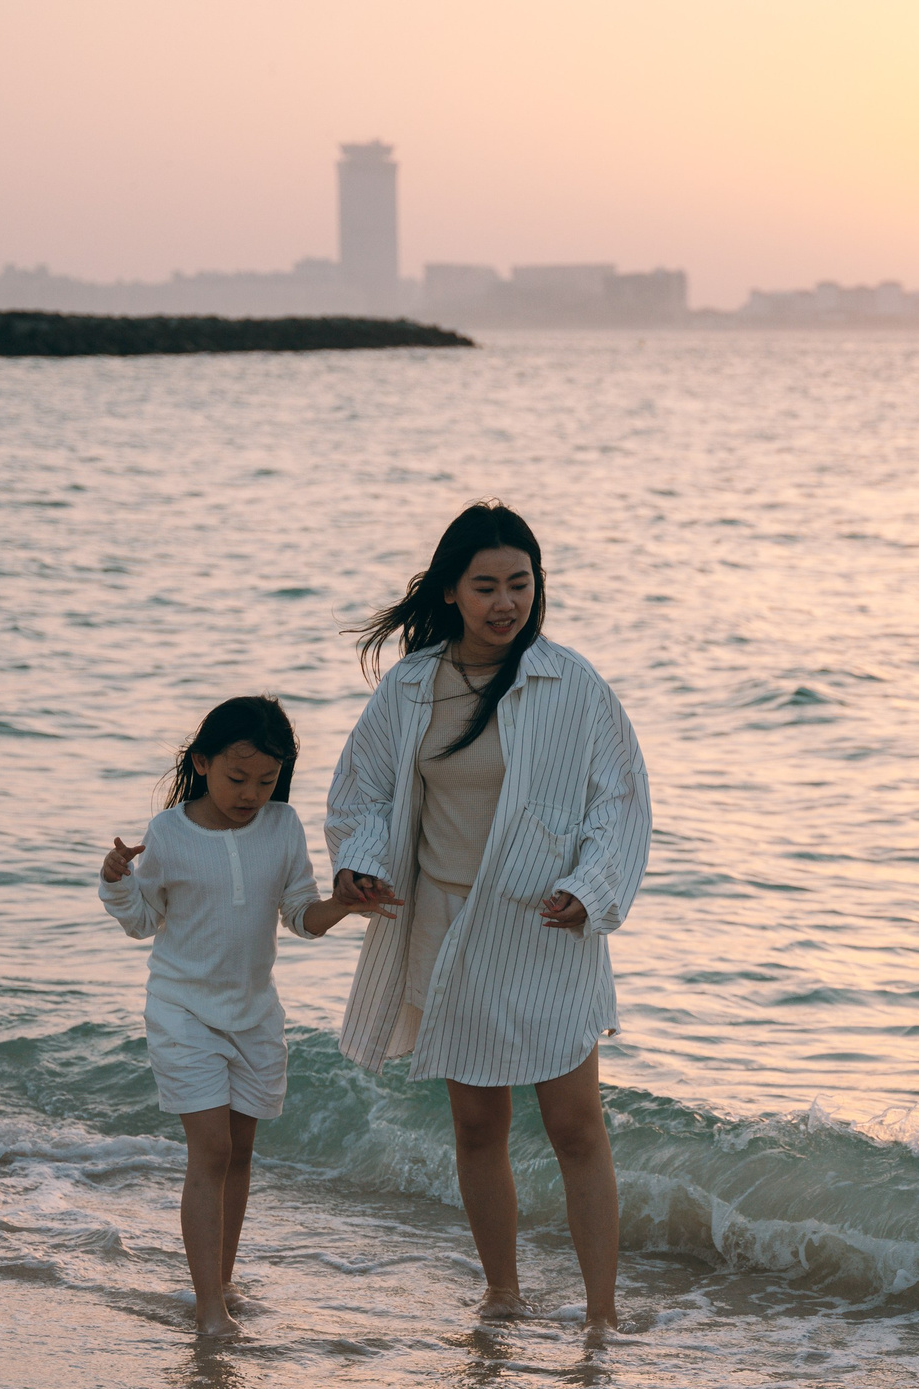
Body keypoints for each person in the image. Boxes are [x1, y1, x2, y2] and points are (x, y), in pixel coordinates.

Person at [326, 502, 651, 1336]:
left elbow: (620, 802)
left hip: (547, 923)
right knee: (478, 1124)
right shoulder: (410, 687)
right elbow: (362, 792)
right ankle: (502, 1293)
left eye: (520, 583)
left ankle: (602, 1314)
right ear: (450, 591)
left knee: (576, 1126)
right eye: (485, 586)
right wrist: (359, 862)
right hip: (447, 924)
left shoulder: (573, 684)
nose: (506, 603)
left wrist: (592, 888)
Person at [98, 696, 378, 1339]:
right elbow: (142, 922)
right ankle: (209, 1312)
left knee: (242, 1152)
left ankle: (219, 1283)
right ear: (202, 763)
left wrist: (345, 904)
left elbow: (301, 915)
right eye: (237, 777)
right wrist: (117, 880)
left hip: (255, 1014)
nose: (251, 793)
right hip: (182, 1010)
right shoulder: (169, 832)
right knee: (213, 1150)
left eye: (266, 780)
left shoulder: (282, 826)